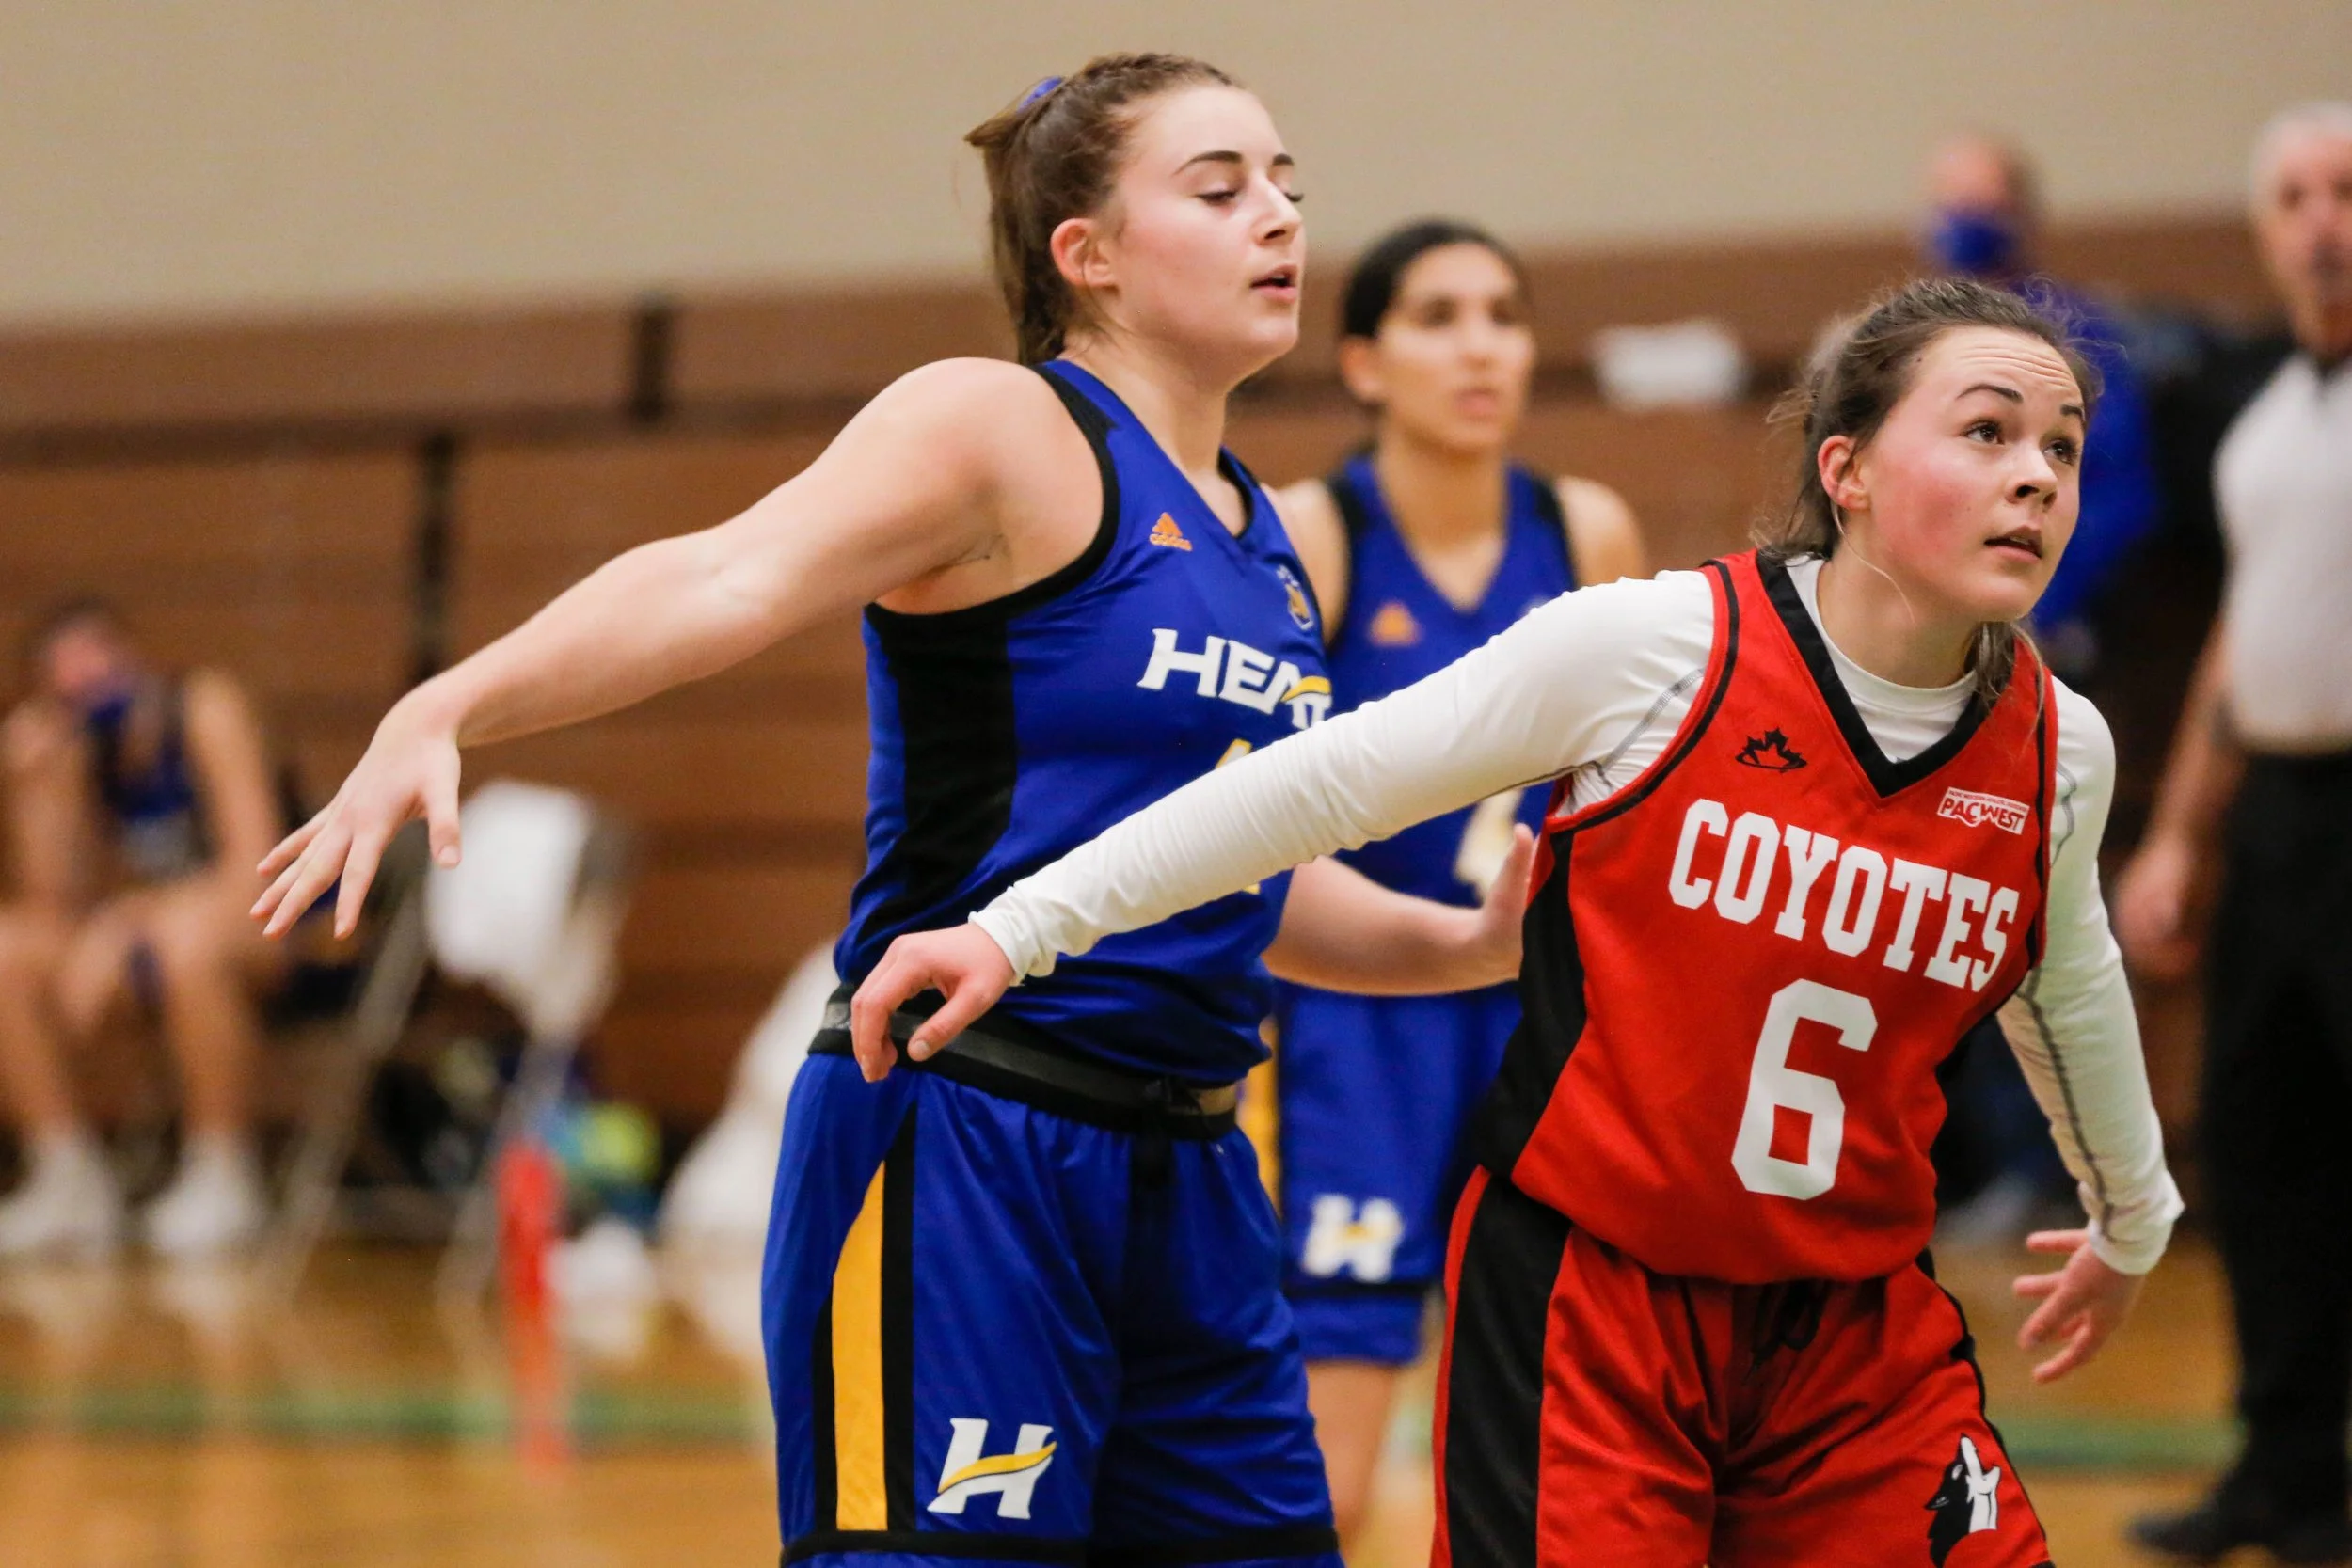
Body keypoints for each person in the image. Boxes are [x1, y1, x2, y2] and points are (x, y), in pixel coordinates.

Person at [251, 55, 1526, 1568]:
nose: (1280, 220)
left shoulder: (1265, 536)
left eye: (1288, 189)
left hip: (1191, 1173)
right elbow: (726, 573)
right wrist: (449, 702)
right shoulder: (1001, 428)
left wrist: (1475, 940)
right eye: (1221, 186)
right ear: (1088, 252)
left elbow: (1243, 872)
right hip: (973, 1128)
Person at [854, 277, 2185, 1565]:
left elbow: (2066, 980)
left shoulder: (2060, 747)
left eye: (2063, 447)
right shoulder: (1656, 649)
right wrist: (1014, 928)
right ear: (1847, 471)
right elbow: (1312, 785)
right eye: (1989, 430)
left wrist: (2134, 1211)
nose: (2040, 476)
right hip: (1598, 1299)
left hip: (1851, 1327)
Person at [1259, 217, 1643, 1545]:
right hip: (1358, 1019)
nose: (1480, 343)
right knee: (1336, 1478)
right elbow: (1252, 805)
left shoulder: (1583, 526)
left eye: (1503, 311)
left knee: (1541, 1473)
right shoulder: (1316, 534)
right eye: (1437, 315)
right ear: (1363, 361)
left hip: (1535, 1017)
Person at [2114, 102, 2352, 1567]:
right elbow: (2243, 639)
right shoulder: (2270, 411)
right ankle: (2288, 1474)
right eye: (2292, 197)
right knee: (2266, 1154)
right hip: (2277, 817)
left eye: (2345, 189)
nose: (2320, 219)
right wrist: (2178, 839)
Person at [0, 602, 289, 1259]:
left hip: (276, 925)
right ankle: (66, 1176)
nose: (87, 681)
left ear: (135, 653)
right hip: (142, 937)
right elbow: (53, 898)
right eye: (64, 674)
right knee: (6, 950)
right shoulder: (81, 751)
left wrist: (128, 921)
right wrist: (33, 788)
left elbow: (256, 867)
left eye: (98, 655)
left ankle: (224, 1172)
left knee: (185, 945)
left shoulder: (205, 706)